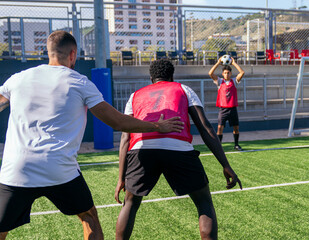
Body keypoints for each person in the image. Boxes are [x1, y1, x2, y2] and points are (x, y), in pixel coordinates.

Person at [0, 31, 184, 240]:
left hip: (17, 168)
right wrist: (157, 126)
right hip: (59, 169)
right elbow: (117, 121)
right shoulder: (79, 82)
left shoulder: (17, 79)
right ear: (73, 54)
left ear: (48, 53)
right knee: (89, 217)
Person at [114, 59, 242, 240]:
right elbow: (205, 128)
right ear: (172, 76)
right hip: (178, 148)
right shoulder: (184, 89)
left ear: (152, 78)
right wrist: (225, 164)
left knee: (130, 203)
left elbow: (125, 138)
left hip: (142, 149)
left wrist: (121, 178)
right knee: (203, 202)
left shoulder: (135, 95)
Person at [208, 57, 245, 151]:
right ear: (222, 74)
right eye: (225, 73)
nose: (226, 74)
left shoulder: (234, 81)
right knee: (220, 128)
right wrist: (218, 63)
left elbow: (242, 73)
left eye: (228, 73)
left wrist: (234, 63)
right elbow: (210, 73)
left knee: (236, 128)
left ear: (230, 73)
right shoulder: (220, 81)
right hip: (223, 109)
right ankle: (219, 146)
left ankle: (236, 145)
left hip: (233, 109)